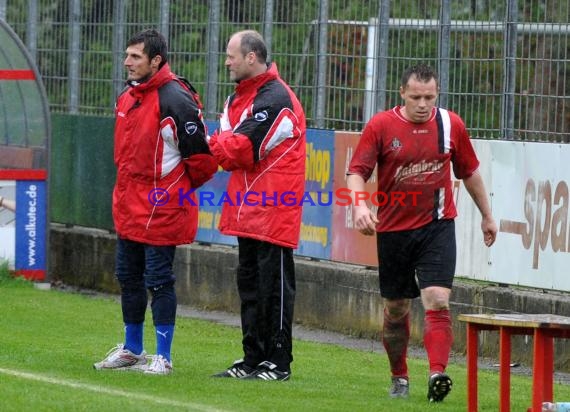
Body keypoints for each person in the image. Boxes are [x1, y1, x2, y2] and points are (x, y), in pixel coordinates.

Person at [346, 63, 497, 402]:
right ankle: (399, 376)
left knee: (438, 299)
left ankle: (437, 374)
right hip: (394, 231)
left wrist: (488, 215)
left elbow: (470, 172)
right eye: (416, 97)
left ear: (437, 95)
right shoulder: (382, 125)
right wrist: (359, 205)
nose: (423, 104)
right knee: (397, 307)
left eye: (429, 97)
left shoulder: (450, 125)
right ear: (402, 94)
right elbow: (356, 172)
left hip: (437, 226)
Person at [93, 29, 217, 375]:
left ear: (156, 61)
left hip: (162, 208)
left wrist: (171, 192)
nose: (127, 62)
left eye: (135, 57)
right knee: (127, 276)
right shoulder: (128, 96)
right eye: (127, 55)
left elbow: (203, 162)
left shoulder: (176, 99)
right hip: (128, 204)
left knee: (159, 279)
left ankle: (163, 357)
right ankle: (133, 349)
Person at [208, 30, 306, 381]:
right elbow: (228, 145)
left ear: (252, 57)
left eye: (232, 55)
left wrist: (216, 141)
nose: (227, 61)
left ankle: (278, 362)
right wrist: (222, 142)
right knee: (249, 287)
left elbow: (237, 150)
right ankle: (252, 359)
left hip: (274, 211)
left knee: (275, 290)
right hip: (246, 210)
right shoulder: (238, 99)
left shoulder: (276, 98)